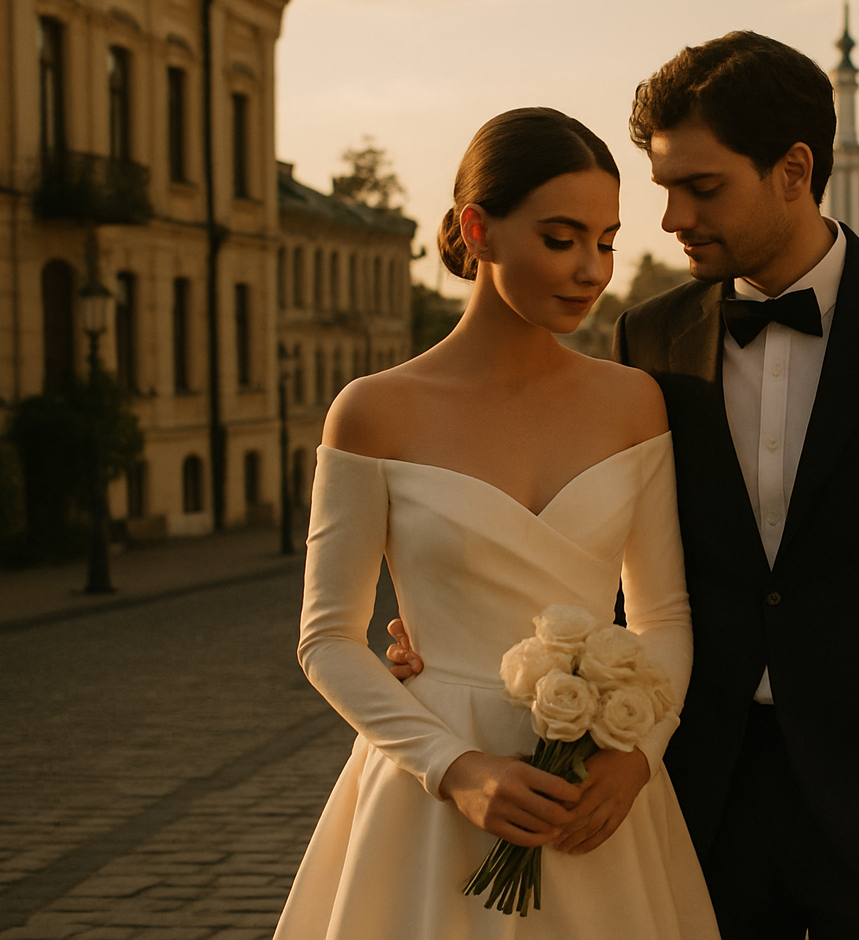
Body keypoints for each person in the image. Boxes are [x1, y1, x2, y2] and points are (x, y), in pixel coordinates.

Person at [394, 33, 859, 938]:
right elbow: (615, 562)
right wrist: (452, 630)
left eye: (700, 187)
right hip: (691, 794)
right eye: (664, 186)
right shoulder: (651, 334)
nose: (670, 217)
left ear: (793, 170)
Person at [276, 107, 721, 940]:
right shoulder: (373, 411)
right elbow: (327, 639)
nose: (591, 269)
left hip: (597, 792)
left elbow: (663, 617)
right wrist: (456, 769)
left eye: (606, 240)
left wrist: (635, 759)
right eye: (561, 239)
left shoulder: (635, 403)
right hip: (434, 792)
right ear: (479, 229)